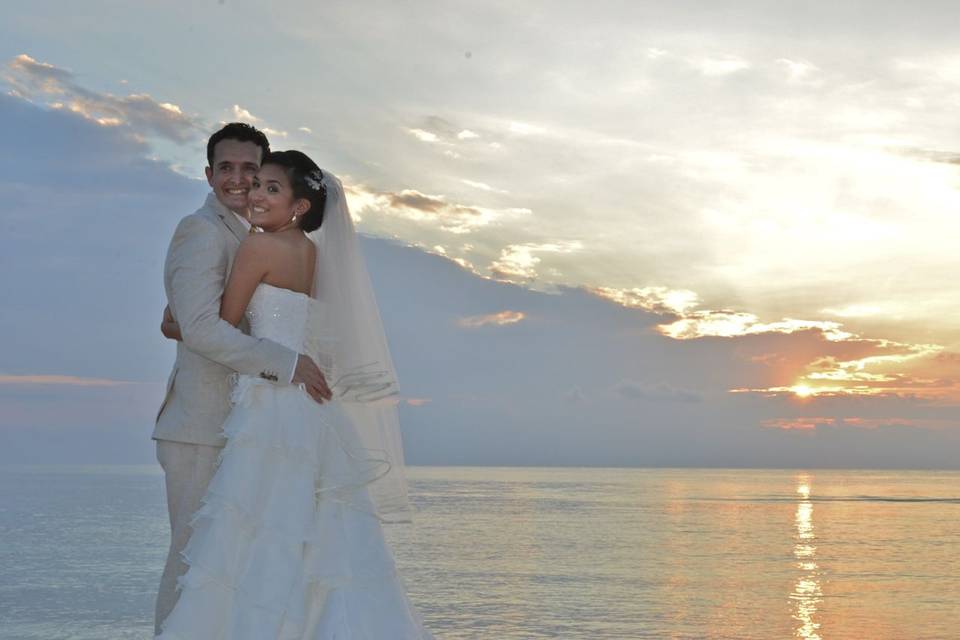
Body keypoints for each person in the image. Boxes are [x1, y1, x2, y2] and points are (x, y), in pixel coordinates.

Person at [156, 150, 433, 638]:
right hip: (309, 406)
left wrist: (175, 319)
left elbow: (220, 324)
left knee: (254, 531)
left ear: (300, 205)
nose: (255, 195)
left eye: (270, 188)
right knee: (317, 533)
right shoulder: (312, 254)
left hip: (269, 405)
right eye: (256, 185)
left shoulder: (259, 248)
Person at [152, 124, 331, 634]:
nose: (238, 180)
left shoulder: (261, 236)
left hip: (253, 426)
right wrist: (289, 364)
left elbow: (190, 321)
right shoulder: (200, 230)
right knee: (193, 568)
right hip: (200, 426)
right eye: (225, 168)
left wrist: (182, 324)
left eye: (250, 170)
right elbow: (204, 328)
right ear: (208, 174)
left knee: (237, 566)